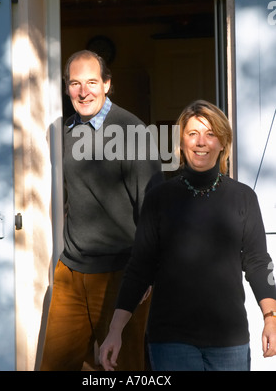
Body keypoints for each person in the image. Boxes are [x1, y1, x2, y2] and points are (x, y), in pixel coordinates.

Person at [99, 99, 276, 371]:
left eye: (210, 134)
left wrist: (271, 318)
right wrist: (115, 330)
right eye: (192, 134)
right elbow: (140, 268)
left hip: (229, 342)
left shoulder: (243, 198)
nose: (201, 142)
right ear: (181, 143)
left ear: (223, 142)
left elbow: (257, 261)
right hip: (171, 341)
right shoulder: (159, 198)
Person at [40, 50, 163, 371]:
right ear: (66, 88)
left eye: (92, 82)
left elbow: (153, 208)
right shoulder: (63, 131)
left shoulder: (132, 130)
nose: (83, 91)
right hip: (71, 271)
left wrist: (146, 271)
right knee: (54, 365)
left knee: (122, 367)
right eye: (75, 83)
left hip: (121, 273)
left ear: (107, 84)